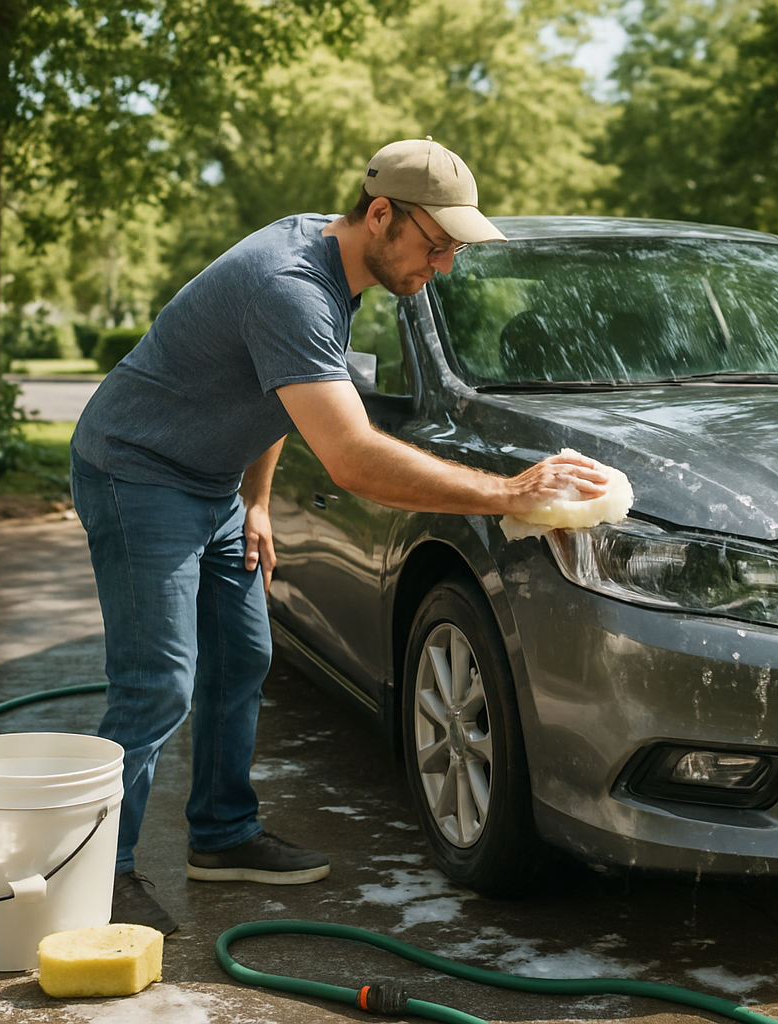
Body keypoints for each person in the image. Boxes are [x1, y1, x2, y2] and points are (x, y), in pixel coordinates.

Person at [70, 138, 607, 936]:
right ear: (381, 214)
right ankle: (98, 877)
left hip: (213, 483)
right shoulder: (291, 286)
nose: (445, 266)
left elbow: (282, 399)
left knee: (247, 654)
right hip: (138, 472)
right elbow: (351, 457)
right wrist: (508, 492)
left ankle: (221, 836)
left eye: (454, 248)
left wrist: (255, 499)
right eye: (436, 244)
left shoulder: (334, 261)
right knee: (158, 684)